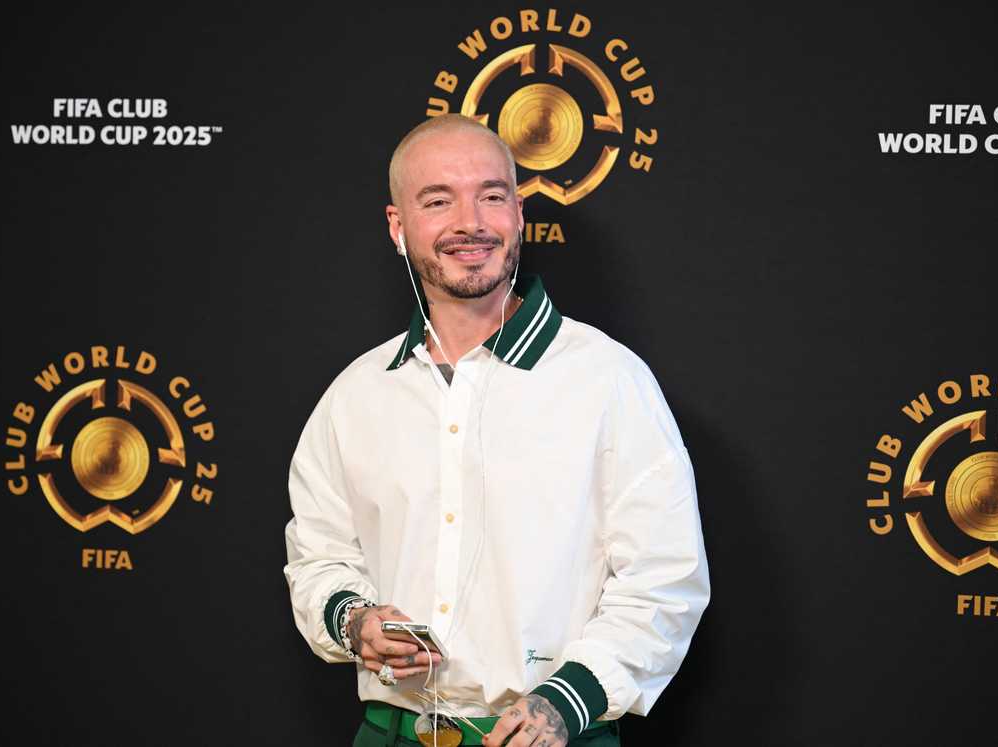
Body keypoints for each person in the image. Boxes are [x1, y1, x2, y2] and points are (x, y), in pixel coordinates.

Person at [284, 114, 710, 747]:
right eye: (438, 201)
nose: (470, 223)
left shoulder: (609, 379)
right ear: (398, 227)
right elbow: (319, 557)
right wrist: (356, 621)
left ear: (518, 213)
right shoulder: (356, 394)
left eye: (491, 196)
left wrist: (566, 702)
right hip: (392, 733)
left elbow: (664, 578)